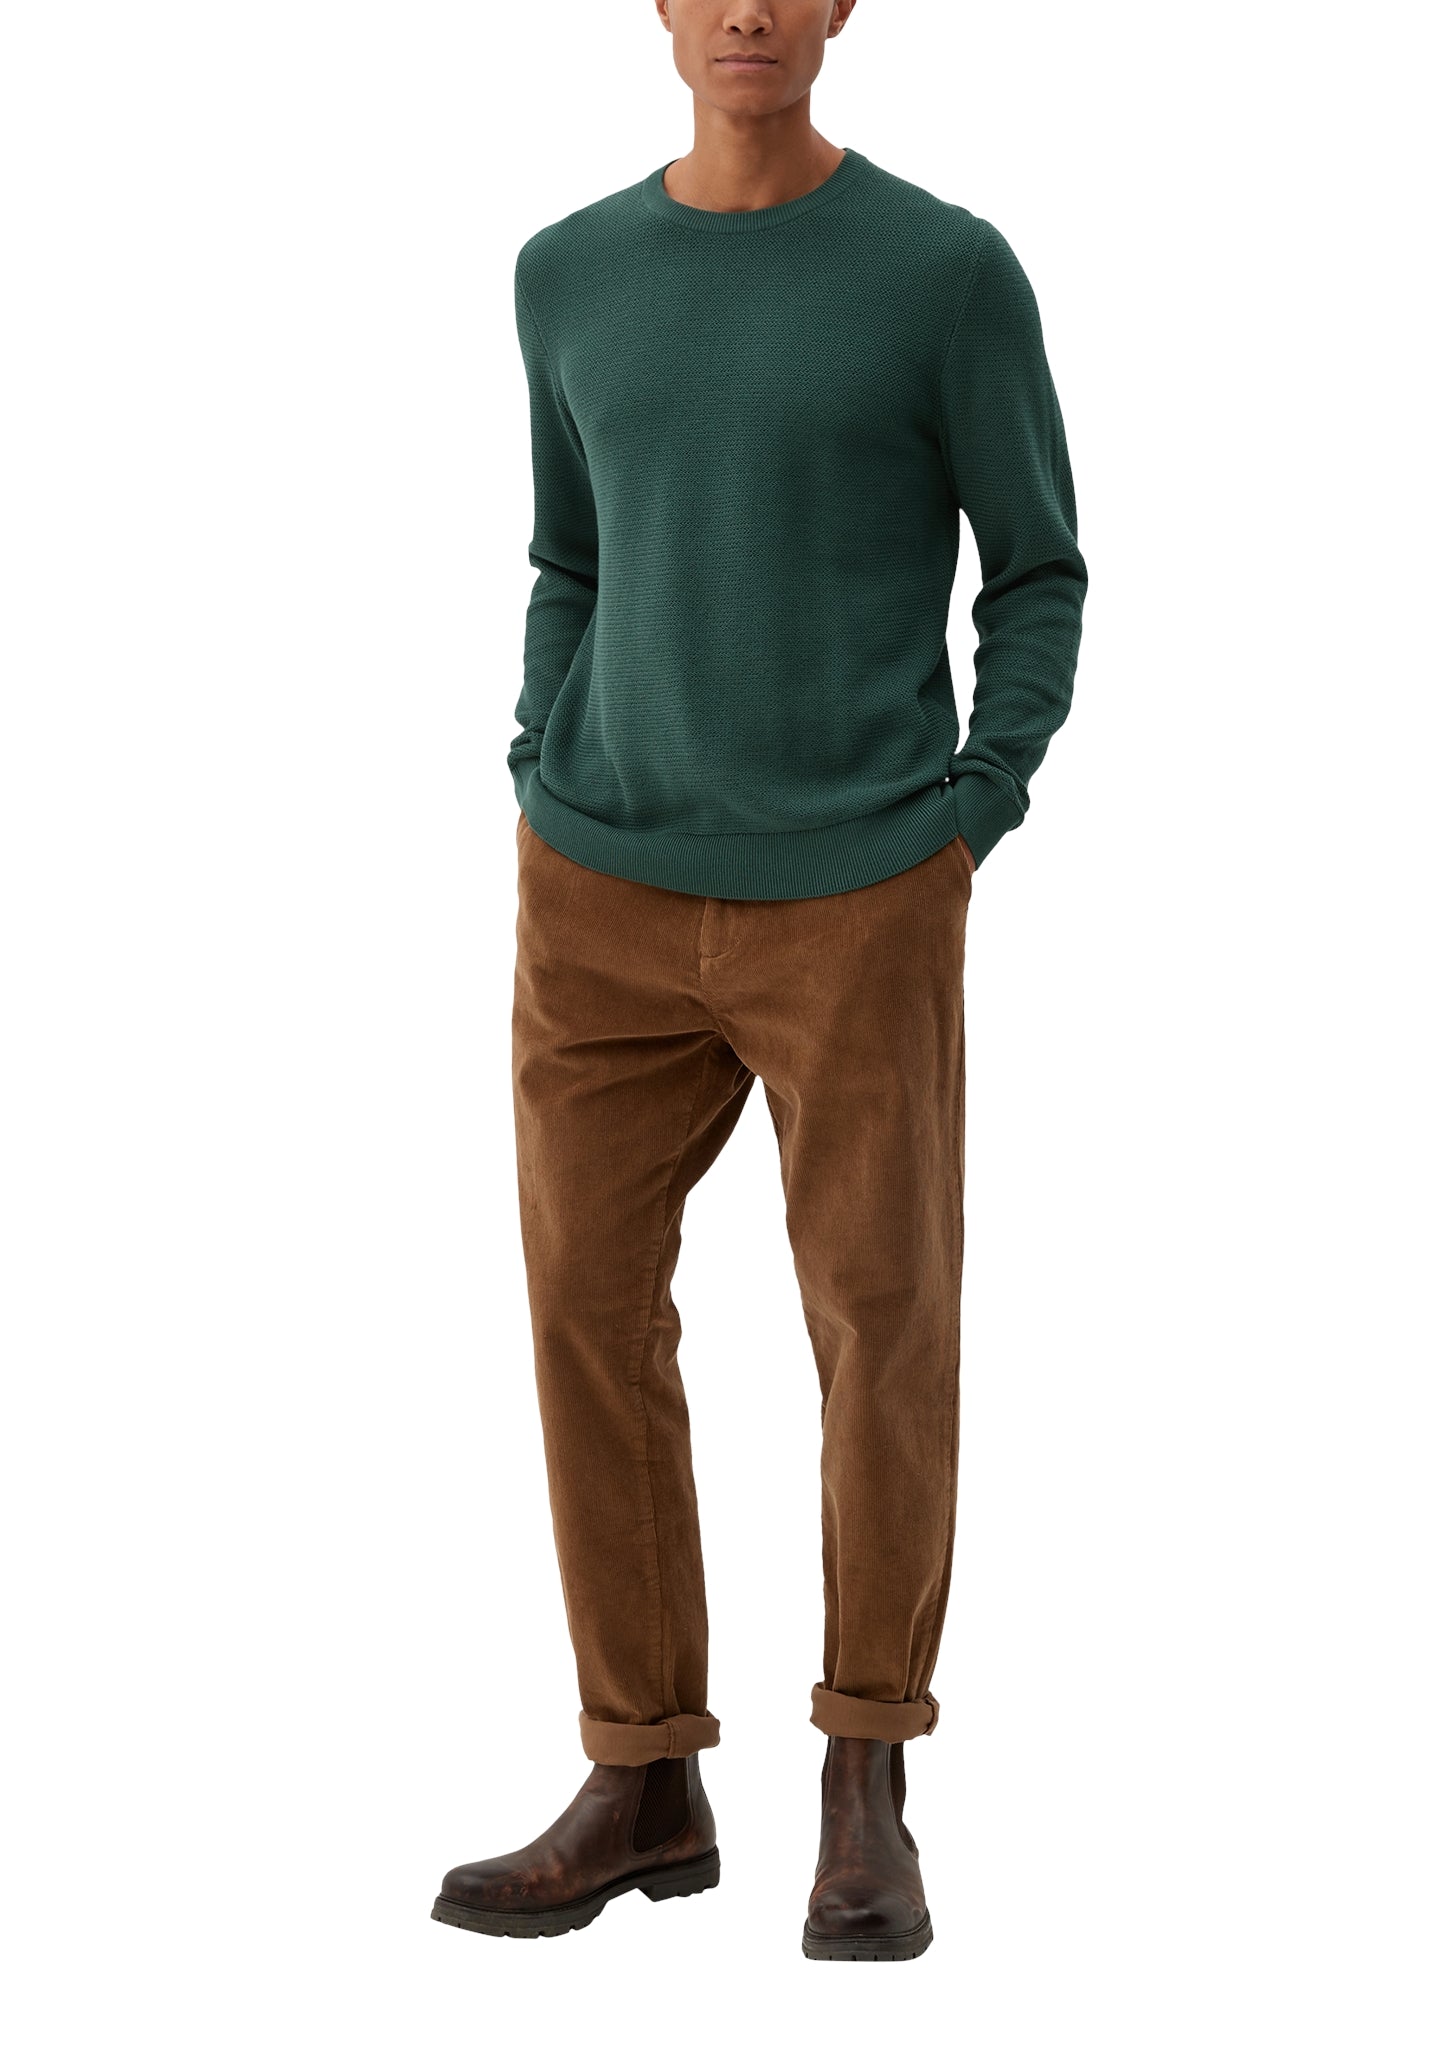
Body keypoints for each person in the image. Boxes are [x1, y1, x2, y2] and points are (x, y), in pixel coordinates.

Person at [432, 0, 1086, 1963]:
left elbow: (1037, 571)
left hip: (858, 889)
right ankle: (643, 1773)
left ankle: (865, 1772)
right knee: (583, 1310)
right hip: (597, 886)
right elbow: (568, 558)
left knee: (881, 1322)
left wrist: (970, 811)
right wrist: (539, 755)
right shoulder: (565, 272)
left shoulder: (943, 273)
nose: (745, 10)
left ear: (841, 3)